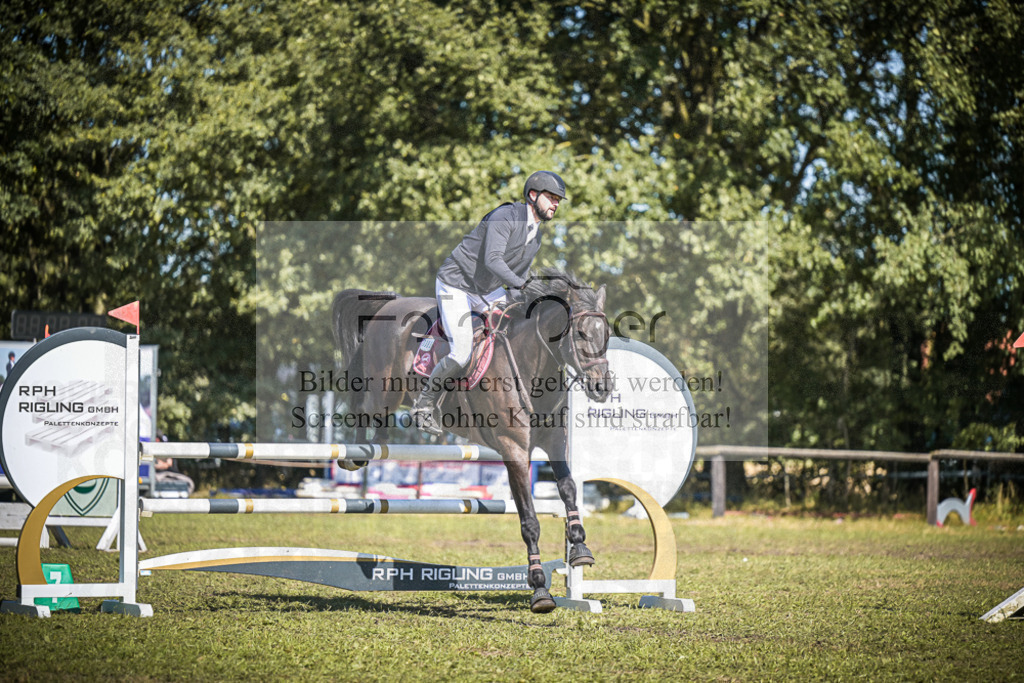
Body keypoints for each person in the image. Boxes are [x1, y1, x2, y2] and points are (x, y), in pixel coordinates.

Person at [410, 170, 567, 435]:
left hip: (487, 290)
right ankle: (423, 406)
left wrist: (531, 298)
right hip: (456, 284)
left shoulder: (536, 234)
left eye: (558, 200)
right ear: (533, 195)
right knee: (461, 353)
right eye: (551, 197)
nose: (555, 204)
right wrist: (522, 285)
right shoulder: (506, 216)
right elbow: (493, 260)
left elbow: (521, 274)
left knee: (523, 326)